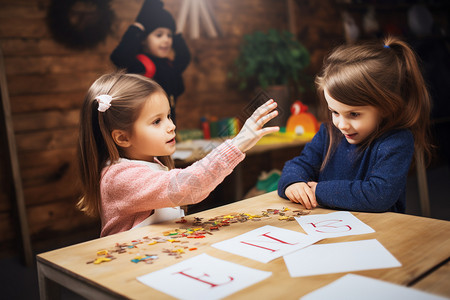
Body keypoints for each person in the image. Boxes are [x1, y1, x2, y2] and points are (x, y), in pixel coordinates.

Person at [77, 72, 279, 237]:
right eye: (157, 121)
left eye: (169, 116)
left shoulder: (152, 163)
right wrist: (237, 144)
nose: (171, 126)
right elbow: (188, 186)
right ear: (122, 137)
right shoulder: (119, 177)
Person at [278, 36, 431, 213]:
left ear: (386, 108)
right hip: (329, 228)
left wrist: (318, 190)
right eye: (335, 112)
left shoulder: (397, 141)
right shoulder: (327, 133)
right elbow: (297, 166)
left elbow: (378, 196)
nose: (342, 124)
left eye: (354, 114)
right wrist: (293, 183)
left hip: (382, 233)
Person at [110, 0, 190, 124]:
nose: (166, 40)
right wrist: (139, 26)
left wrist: (177, 34)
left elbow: (185, 57)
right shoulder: (141, 65)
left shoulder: (168, 65)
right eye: (159, 35)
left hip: (168, 129)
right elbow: (119, 57)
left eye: (169, 35)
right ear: (142, 40)